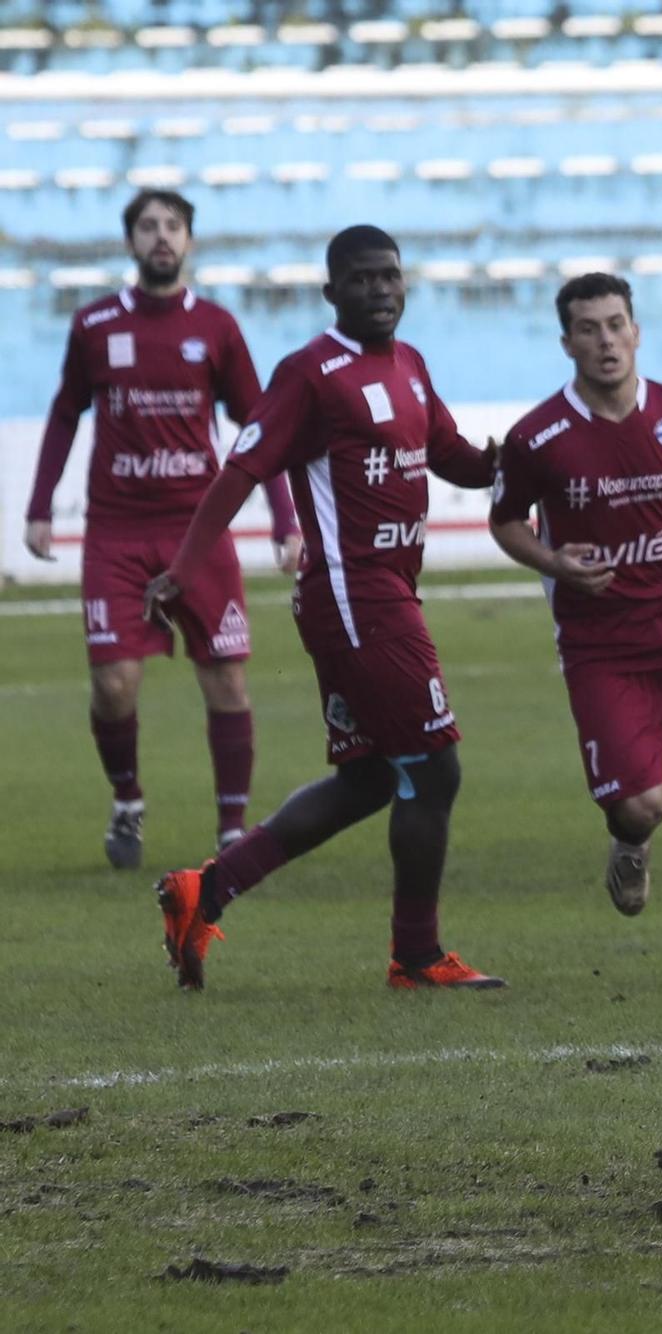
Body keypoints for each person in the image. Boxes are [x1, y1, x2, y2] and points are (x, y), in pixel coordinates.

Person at [144, 225, 502, 993]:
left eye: (391, 277)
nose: (381, 290)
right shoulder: (310, 373)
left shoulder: (409, 366)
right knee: (434, 769)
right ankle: (415, 956)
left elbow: (453, 456)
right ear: (332, 291)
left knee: (373, 778)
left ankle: (206, 889)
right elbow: (242, 469)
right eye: (364, 279)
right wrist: (183, 568)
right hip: (354, 596)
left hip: (384, 594)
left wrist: (511, 460)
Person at [490, 273, 662, 984]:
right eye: (589, 328)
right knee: (642, 806)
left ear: (637, 331)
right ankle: (629, 842)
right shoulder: (538, 435)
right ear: (567, 342)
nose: (606, 340)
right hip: (602, 648)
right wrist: (554, 561)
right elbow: (505, 521)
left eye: (616, 324)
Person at [25, 189, 302, 867]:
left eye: (172, 226)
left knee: (227, 681)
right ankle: (127, 802)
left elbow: (259, 429)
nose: (161, 237)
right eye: (148, 226)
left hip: (197, 531)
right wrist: (39, 505)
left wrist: (283, 519)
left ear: (189, 242)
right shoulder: (94, 325)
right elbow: (65, 413)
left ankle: (232, 831)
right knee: (114, 684)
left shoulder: (216, 327)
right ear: (130, 242)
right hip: (116, 531)